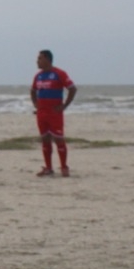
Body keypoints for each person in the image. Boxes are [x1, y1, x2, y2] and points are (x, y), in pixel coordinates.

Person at [30, 49, 77, 177]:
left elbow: (72, 89)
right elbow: (33, 91)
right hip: (41, 113)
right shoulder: (38, 76)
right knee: (45, 139)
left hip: (54, 113)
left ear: (47, 59)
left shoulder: (59, 73)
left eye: (40, 58)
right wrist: (36, 104)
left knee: (59, 139)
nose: (37, 61)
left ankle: (64, 167)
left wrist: (64, 105)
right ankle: (48, 168)